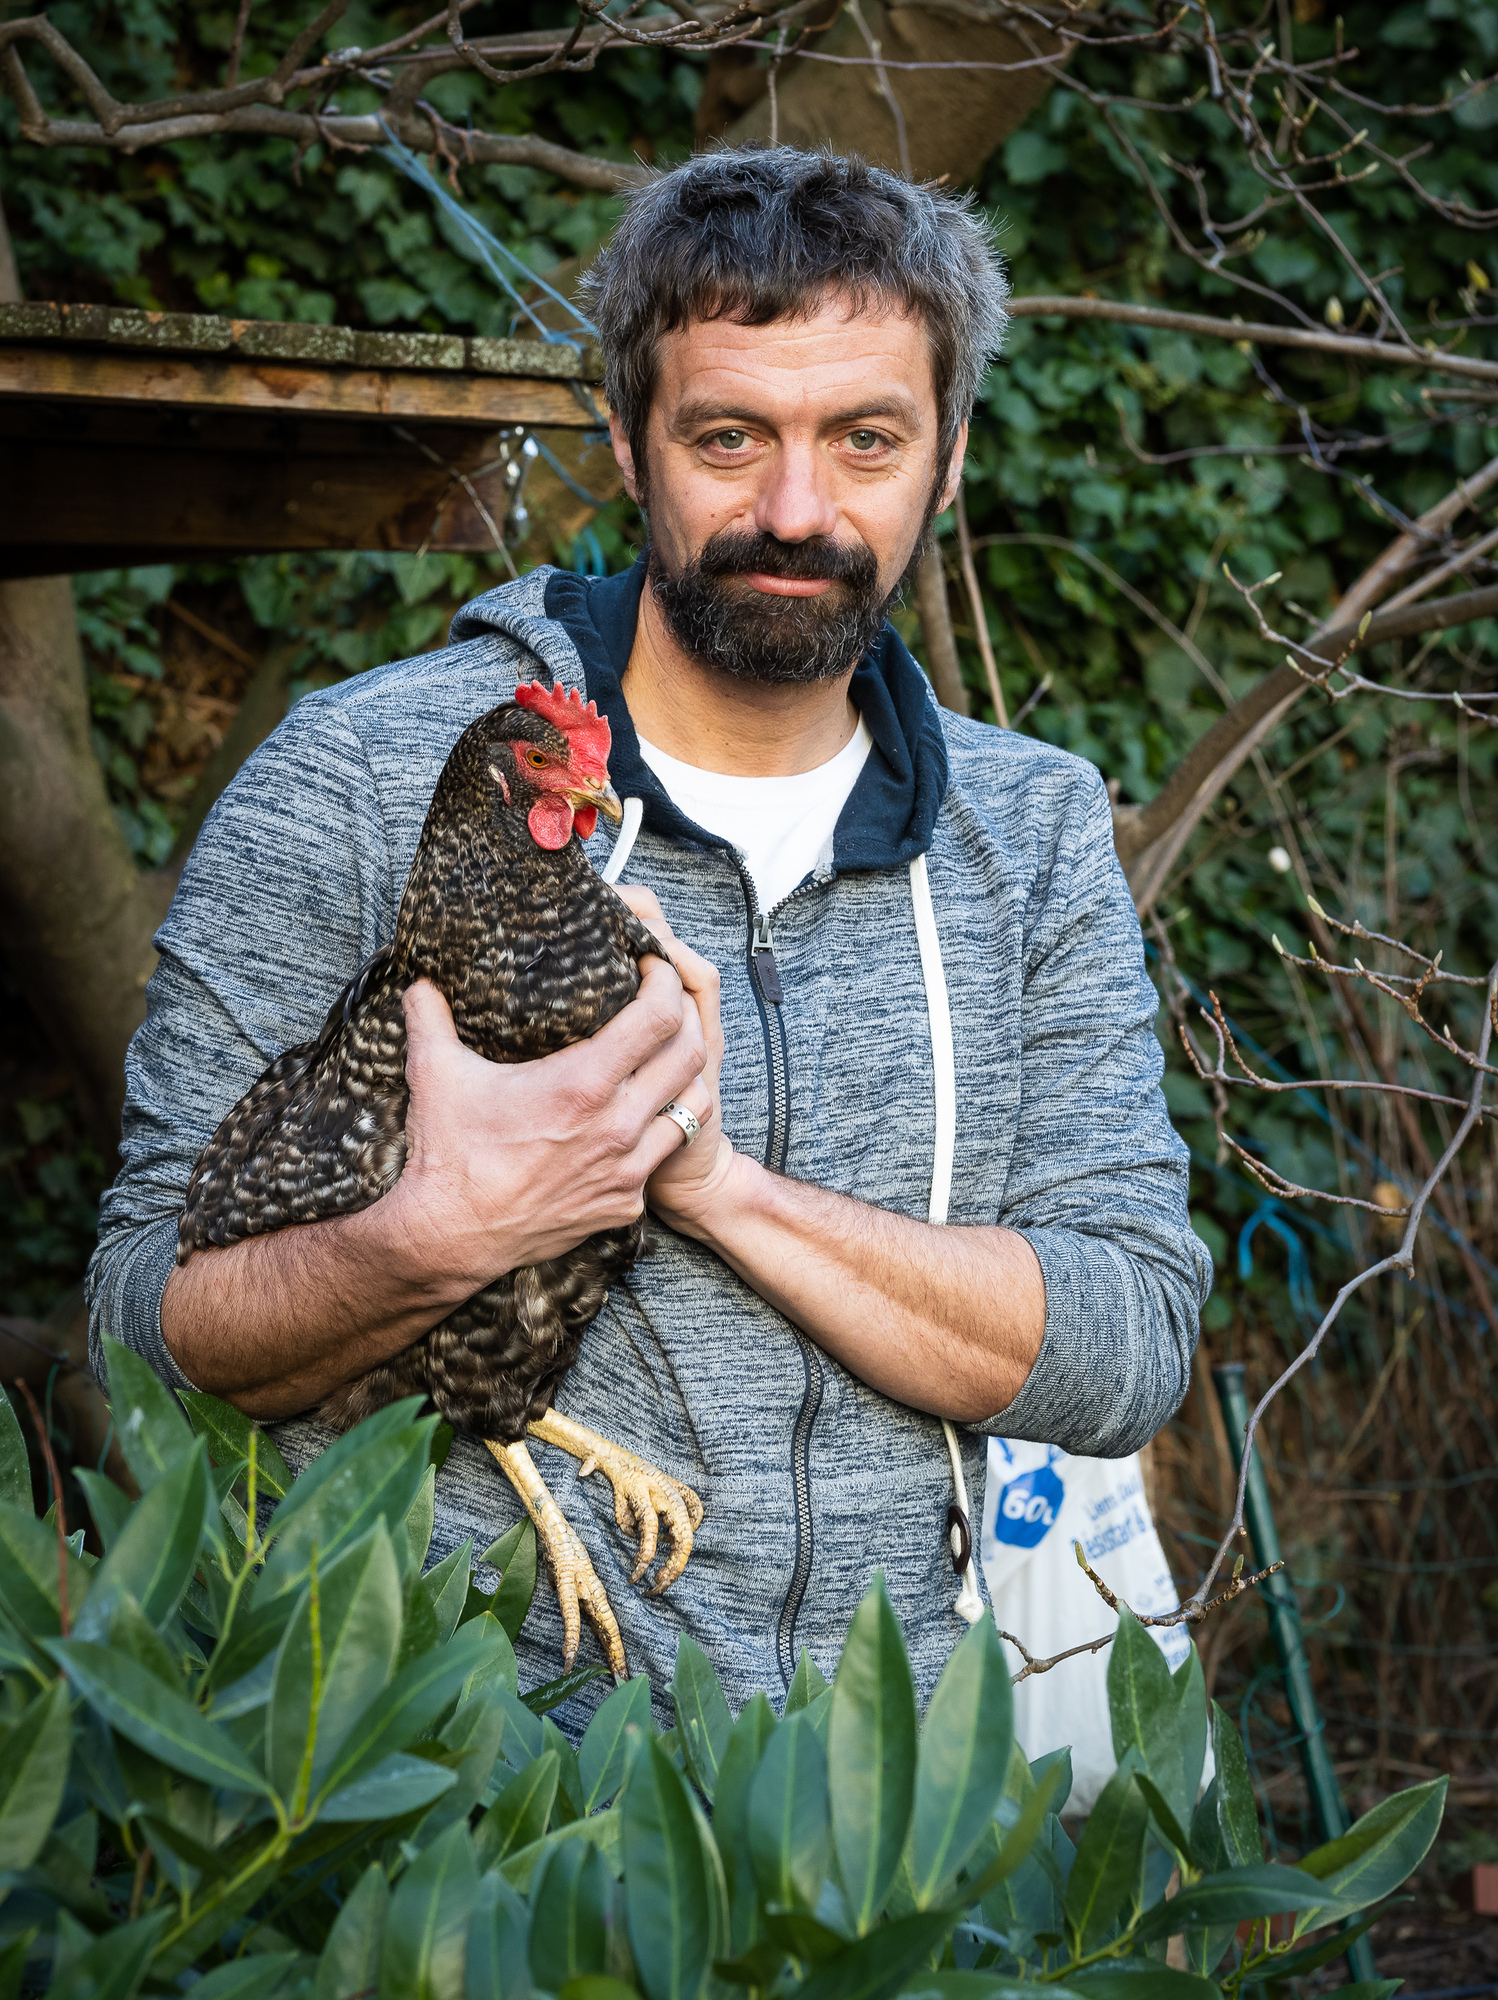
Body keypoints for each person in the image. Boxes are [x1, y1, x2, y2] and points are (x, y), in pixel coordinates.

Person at [87, 146, 1211, 1722]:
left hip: (871, 1783)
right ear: (627, 439)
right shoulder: (358, 776)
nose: (796, 512)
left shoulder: (1027, 830)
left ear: (950, 456)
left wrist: (710, 1181)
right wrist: (438, 1233)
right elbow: (138, 1327)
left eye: (866, 438)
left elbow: (1125, 1345)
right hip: (435, 1766)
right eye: (727, 436)